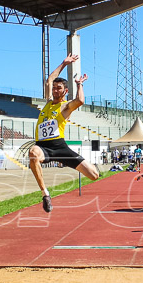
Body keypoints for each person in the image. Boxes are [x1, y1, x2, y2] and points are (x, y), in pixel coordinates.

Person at [29, 54, 100, 212]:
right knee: (33, 153)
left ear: (65, 91)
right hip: (43, 147)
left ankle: (81, 163)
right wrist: (63, 63)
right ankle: (45, 195)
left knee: (94, 175)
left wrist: (80, 84)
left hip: (60, 147)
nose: (54, 90)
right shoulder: (48, 102)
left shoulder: (65, 106)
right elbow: (49, 80)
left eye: (58, 88)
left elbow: (80, 101)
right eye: (54, 88)